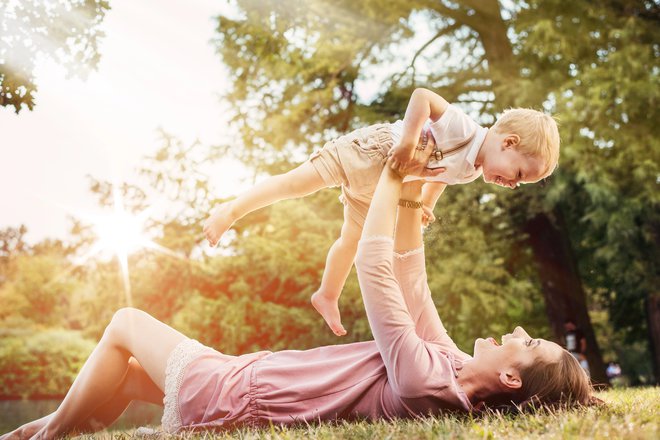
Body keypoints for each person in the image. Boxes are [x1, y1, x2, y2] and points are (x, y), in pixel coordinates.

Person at [2, 147, 589, 440]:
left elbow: (377, 270)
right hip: (245, 375)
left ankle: (48, 435)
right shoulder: (451, 364)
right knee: (126, 379)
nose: (516, 330)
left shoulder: (423, 383)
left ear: (512, 378)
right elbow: (412, 276)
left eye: (527, 341)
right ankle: (50, 425)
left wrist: (387, 174)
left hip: (233, 393)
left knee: (127, 321)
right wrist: (418, 184)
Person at [204, 87, 560, 336]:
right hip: (372, 153)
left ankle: (326, 294)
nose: (512, 184)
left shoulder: (471, 169)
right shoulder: (465, 129)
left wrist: (425, 205)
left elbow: (441, 178)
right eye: (518, 174)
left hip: (382, 187)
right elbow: (423, 98)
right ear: (508, 142)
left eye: (520, 183)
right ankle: (231, 211)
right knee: (296, 184)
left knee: (351, 241)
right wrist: (408, 140)